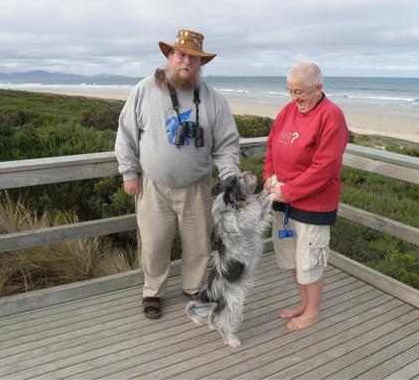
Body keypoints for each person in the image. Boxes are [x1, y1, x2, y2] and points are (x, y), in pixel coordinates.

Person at [115, 29, 240, 319]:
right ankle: (153, 292)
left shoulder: (213, 100)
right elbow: (126, 135)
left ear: (201, 65)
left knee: (198, 244)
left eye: (194, 58)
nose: (186, 61)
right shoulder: (145, 90)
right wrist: (128, 172)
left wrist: (230, 178)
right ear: (169, 57)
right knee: (154, 243)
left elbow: (227, 145)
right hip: (153, 186)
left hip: (197, 186)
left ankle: (194, 287)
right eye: (181, 54)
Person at [264, 62, 349, 330]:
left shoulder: (331, 116)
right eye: (290, 91)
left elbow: (325, 167)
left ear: (318, 87)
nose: (294, 98)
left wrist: (288, 191)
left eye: (299, 92)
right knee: (291, 258)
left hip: (313, 204)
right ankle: (303, 303)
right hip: (282, 200)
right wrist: (269, 176)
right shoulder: (287, 111)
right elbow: (271, 147)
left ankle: (312, 311)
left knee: (309, 259)